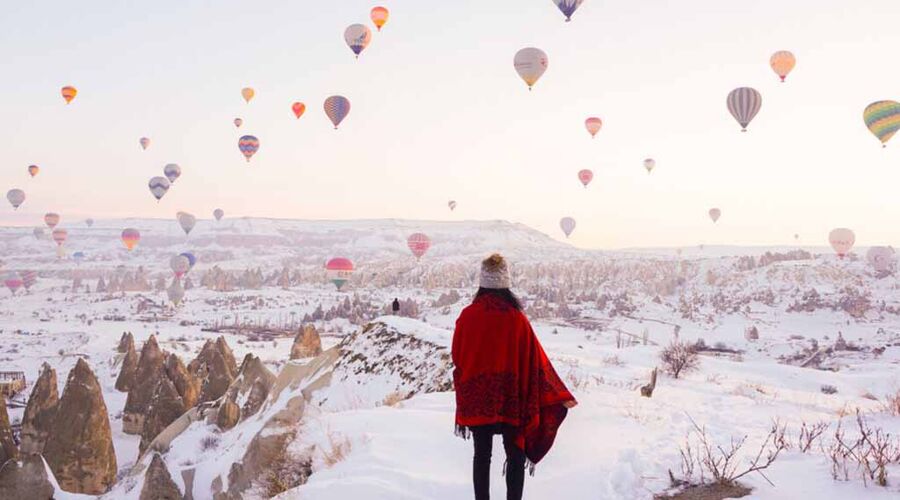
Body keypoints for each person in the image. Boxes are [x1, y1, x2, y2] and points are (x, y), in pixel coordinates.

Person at [452, 254, 576, 500]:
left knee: (482, 454)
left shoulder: (467, 316)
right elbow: (536, 359)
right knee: (515, 453)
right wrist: (558, 392)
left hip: (478, 398)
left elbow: (458, 355)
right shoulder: (517, 319)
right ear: (506, 284)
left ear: (482, 283)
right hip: (512, 398)